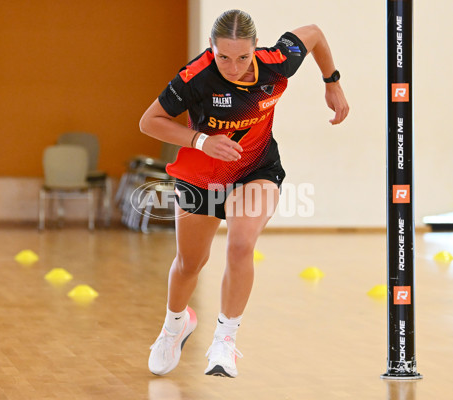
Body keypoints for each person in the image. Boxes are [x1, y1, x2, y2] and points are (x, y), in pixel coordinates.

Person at [139, 9, 349, 378]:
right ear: (211, 48)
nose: (232, 67)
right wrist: (201, 140)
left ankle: (225, 338)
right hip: (200, 176)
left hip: (256, 170)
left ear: (255, 48)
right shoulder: (195, 77)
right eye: (223, 57)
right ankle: (175, 325)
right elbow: (149, 122)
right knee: (190, 263)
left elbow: (314, 33)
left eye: (241, 57)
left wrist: (331, 82)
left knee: (240, 244)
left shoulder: (276, 63)